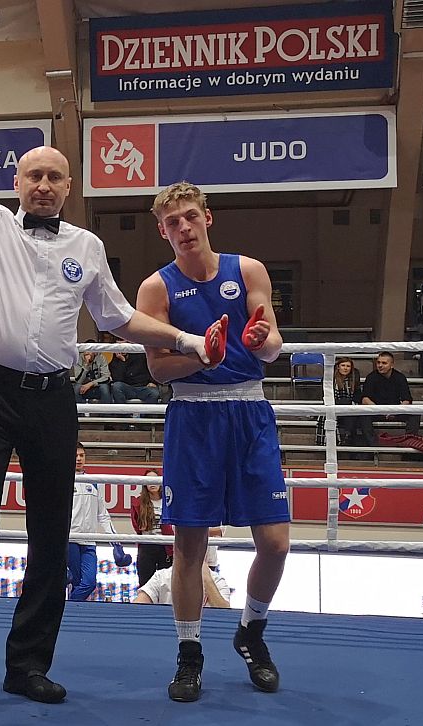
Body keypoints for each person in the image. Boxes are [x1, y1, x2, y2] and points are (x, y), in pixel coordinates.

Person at [0, 129, 226, 706]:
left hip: (51, 399)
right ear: (17, 183)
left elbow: (118, 317)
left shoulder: (86, 246)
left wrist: (188, 340)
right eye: (33, 175)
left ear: (68, 187)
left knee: (51, 535)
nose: (42, 185)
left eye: (54, 177)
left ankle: (28, 664)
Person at [136, 181, 290, 702]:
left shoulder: (248, 270)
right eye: (172, 222)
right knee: (188, 545)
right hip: (193, 418)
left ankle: (251, 631)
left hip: (250, 411)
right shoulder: (156, 288)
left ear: (208, 218)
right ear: (163, 231)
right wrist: (204, 355)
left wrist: (257, 339)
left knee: (275, 543)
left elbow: (271, 346)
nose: (183, 228)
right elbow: (157, 369)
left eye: (190, 217)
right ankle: (189, 653)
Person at [68, 442, 131, 601]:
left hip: (89, 541)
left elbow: (103, 515)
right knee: (75, 581)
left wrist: (116, 544)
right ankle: (71, 617)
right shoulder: (63, 481)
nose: (78, 459)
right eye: (75, 455)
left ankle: (65, 609)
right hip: (70, 539)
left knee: (89, 583)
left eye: (81, 455)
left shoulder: (93, 481)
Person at [358, 351, 420, 444]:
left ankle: (408, 443)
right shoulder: (371, 377)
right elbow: (365, 399)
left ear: (392, 365)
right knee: (362, 415)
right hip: (376, 411)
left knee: (415, 414)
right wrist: (379, 410)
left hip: (395, 411)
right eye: (378, 362)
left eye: (384, 363)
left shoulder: (400, 377)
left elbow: (407, 399)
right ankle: (373, 445)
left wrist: (395, 410)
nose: (380, 365)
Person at [130, 471, 169, 587]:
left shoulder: (168, 501)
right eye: (148, 480)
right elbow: (136, 525)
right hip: (147, 545)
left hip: (166, 546)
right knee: (145, 583)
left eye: (154, 480)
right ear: (144, 484)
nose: (152, 483)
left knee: (166, 584)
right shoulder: (138, 502)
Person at [134, 563, 230, 608]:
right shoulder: (161, 576)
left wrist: (207, 580)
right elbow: (136, 608)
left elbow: (225, 615)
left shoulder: (217, 581)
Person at [315, 357, 363, 446]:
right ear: (338, 367)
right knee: (346, 404)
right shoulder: (329, 379)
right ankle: (346, 436)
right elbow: (327, 395)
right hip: (334, 404)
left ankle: (348, 436)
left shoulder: (354, 379)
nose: (345, 368)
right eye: (343, 365)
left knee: (351, 409)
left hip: (349, 407)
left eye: (348, 366)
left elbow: (357, 395)